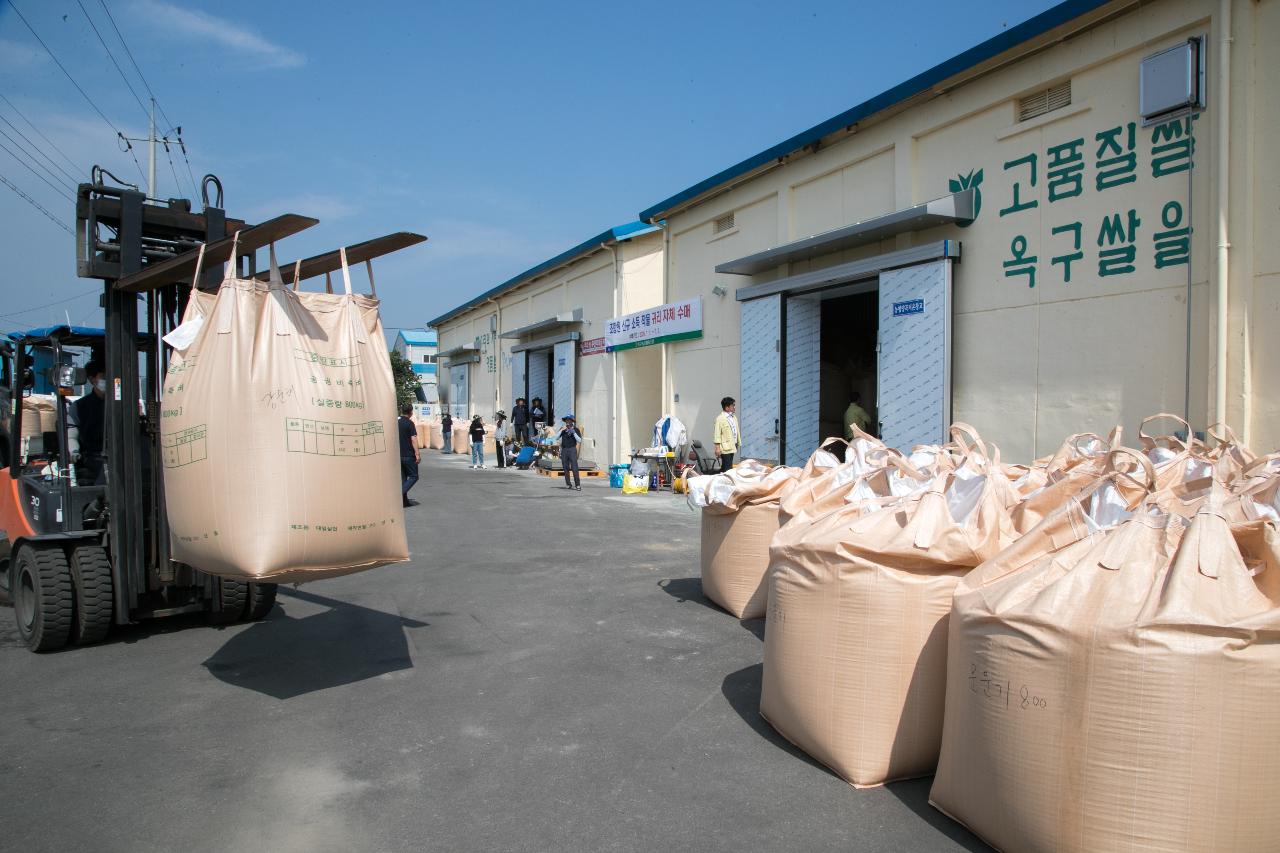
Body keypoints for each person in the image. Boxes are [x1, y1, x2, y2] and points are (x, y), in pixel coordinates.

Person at [73, 361, 107, 485]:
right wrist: (74, 452)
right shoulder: (80, 406)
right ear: (92, 379)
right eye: (104, 377)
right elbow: (71, 433)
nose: (108, 380)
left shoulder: (124, 404)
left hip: (122, 453)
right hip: (94, 456)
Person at [397, 403, 420, 507]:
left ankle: (404, 502)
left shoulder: (395, 422)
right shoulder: (409, 423)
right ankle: (398, 496)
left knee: (403, 478)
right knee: (414, 476)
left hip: (398, 455)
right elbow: (413, 439)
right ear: (411, 412)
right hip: (408, 454)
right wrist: (417, 453)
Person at [713, 396, 740, 472]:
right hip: (725, 448)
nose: (735, 407)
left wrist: (737, 443)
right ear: (727, 408)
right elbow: (717, 434)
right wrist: (717, 448)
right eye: (733, 405)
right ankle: (725, 482)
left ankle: (721, 481)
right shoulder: (720, 419)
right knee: (727, 469)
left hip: (732, 446)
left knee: (727, 467)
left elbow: (735, 431)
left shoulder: (733, 417)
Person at [558, 413, 583, 491]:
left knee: (574, 467)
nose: (567, 422)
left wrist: (574, 433)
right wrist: (561, 430)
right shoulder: (564, 430)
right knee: (565, 467)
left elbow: (579, 440)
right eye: (566, 420)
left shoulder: (576, 429)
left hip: (572, 449)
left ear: (572, 421)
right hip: (564, 450)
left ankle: (577, 485)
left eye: (569, 420)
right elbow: (555, 438)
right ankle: (568, 484)